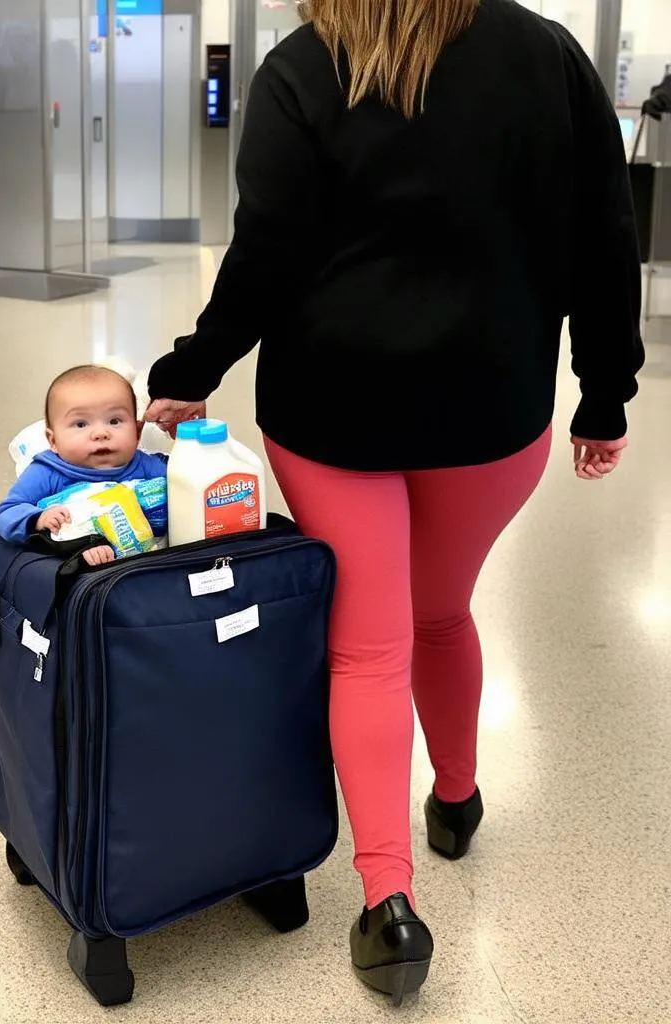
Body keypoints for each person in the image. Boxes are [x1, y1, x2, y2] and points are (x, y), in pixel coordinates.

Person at [145, 0, 644, 1006]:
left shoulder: (300, 65)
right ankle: (454, 799)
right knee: (439, 610)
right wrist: (603, 387)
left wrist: (192, 367)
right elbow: (603, 226)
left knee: (367, 644)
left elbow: (267, 248)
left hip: (333, 408)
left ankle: (385, 902)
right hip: (492, 407)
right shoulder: (545, 54)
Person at [0, 366, 169, 565]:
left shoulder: (146, 465)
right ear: (53, 441)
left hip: (147, 567)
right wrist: (38, 519)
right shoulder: (47, 472)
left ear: (137, 433)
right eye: (81, 424)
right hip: (77, 568)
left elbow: (184, 484)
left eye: (114, 421)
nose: (100, 433)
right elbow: (7, 512)